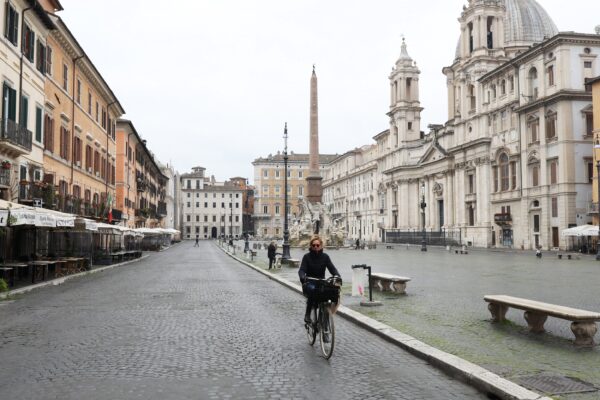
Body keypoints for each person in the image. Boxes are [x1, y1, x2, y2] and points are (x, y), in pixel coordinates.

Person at [299, 235, 342, 324]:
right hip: (310, 281)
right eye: (314, 245)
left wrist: (337, 276)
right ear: (311, 246)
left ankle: (325, 312)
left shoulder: (325, 257)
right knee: (312, 290)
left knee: (331, 292)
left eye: (317, 245)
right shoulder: (306, 257)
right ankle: (307, 314)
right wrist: (302, 276)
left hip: (321, 281)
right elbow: (302, 269)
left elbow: (332, 268)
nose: (316, 247)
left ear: (321, 246)